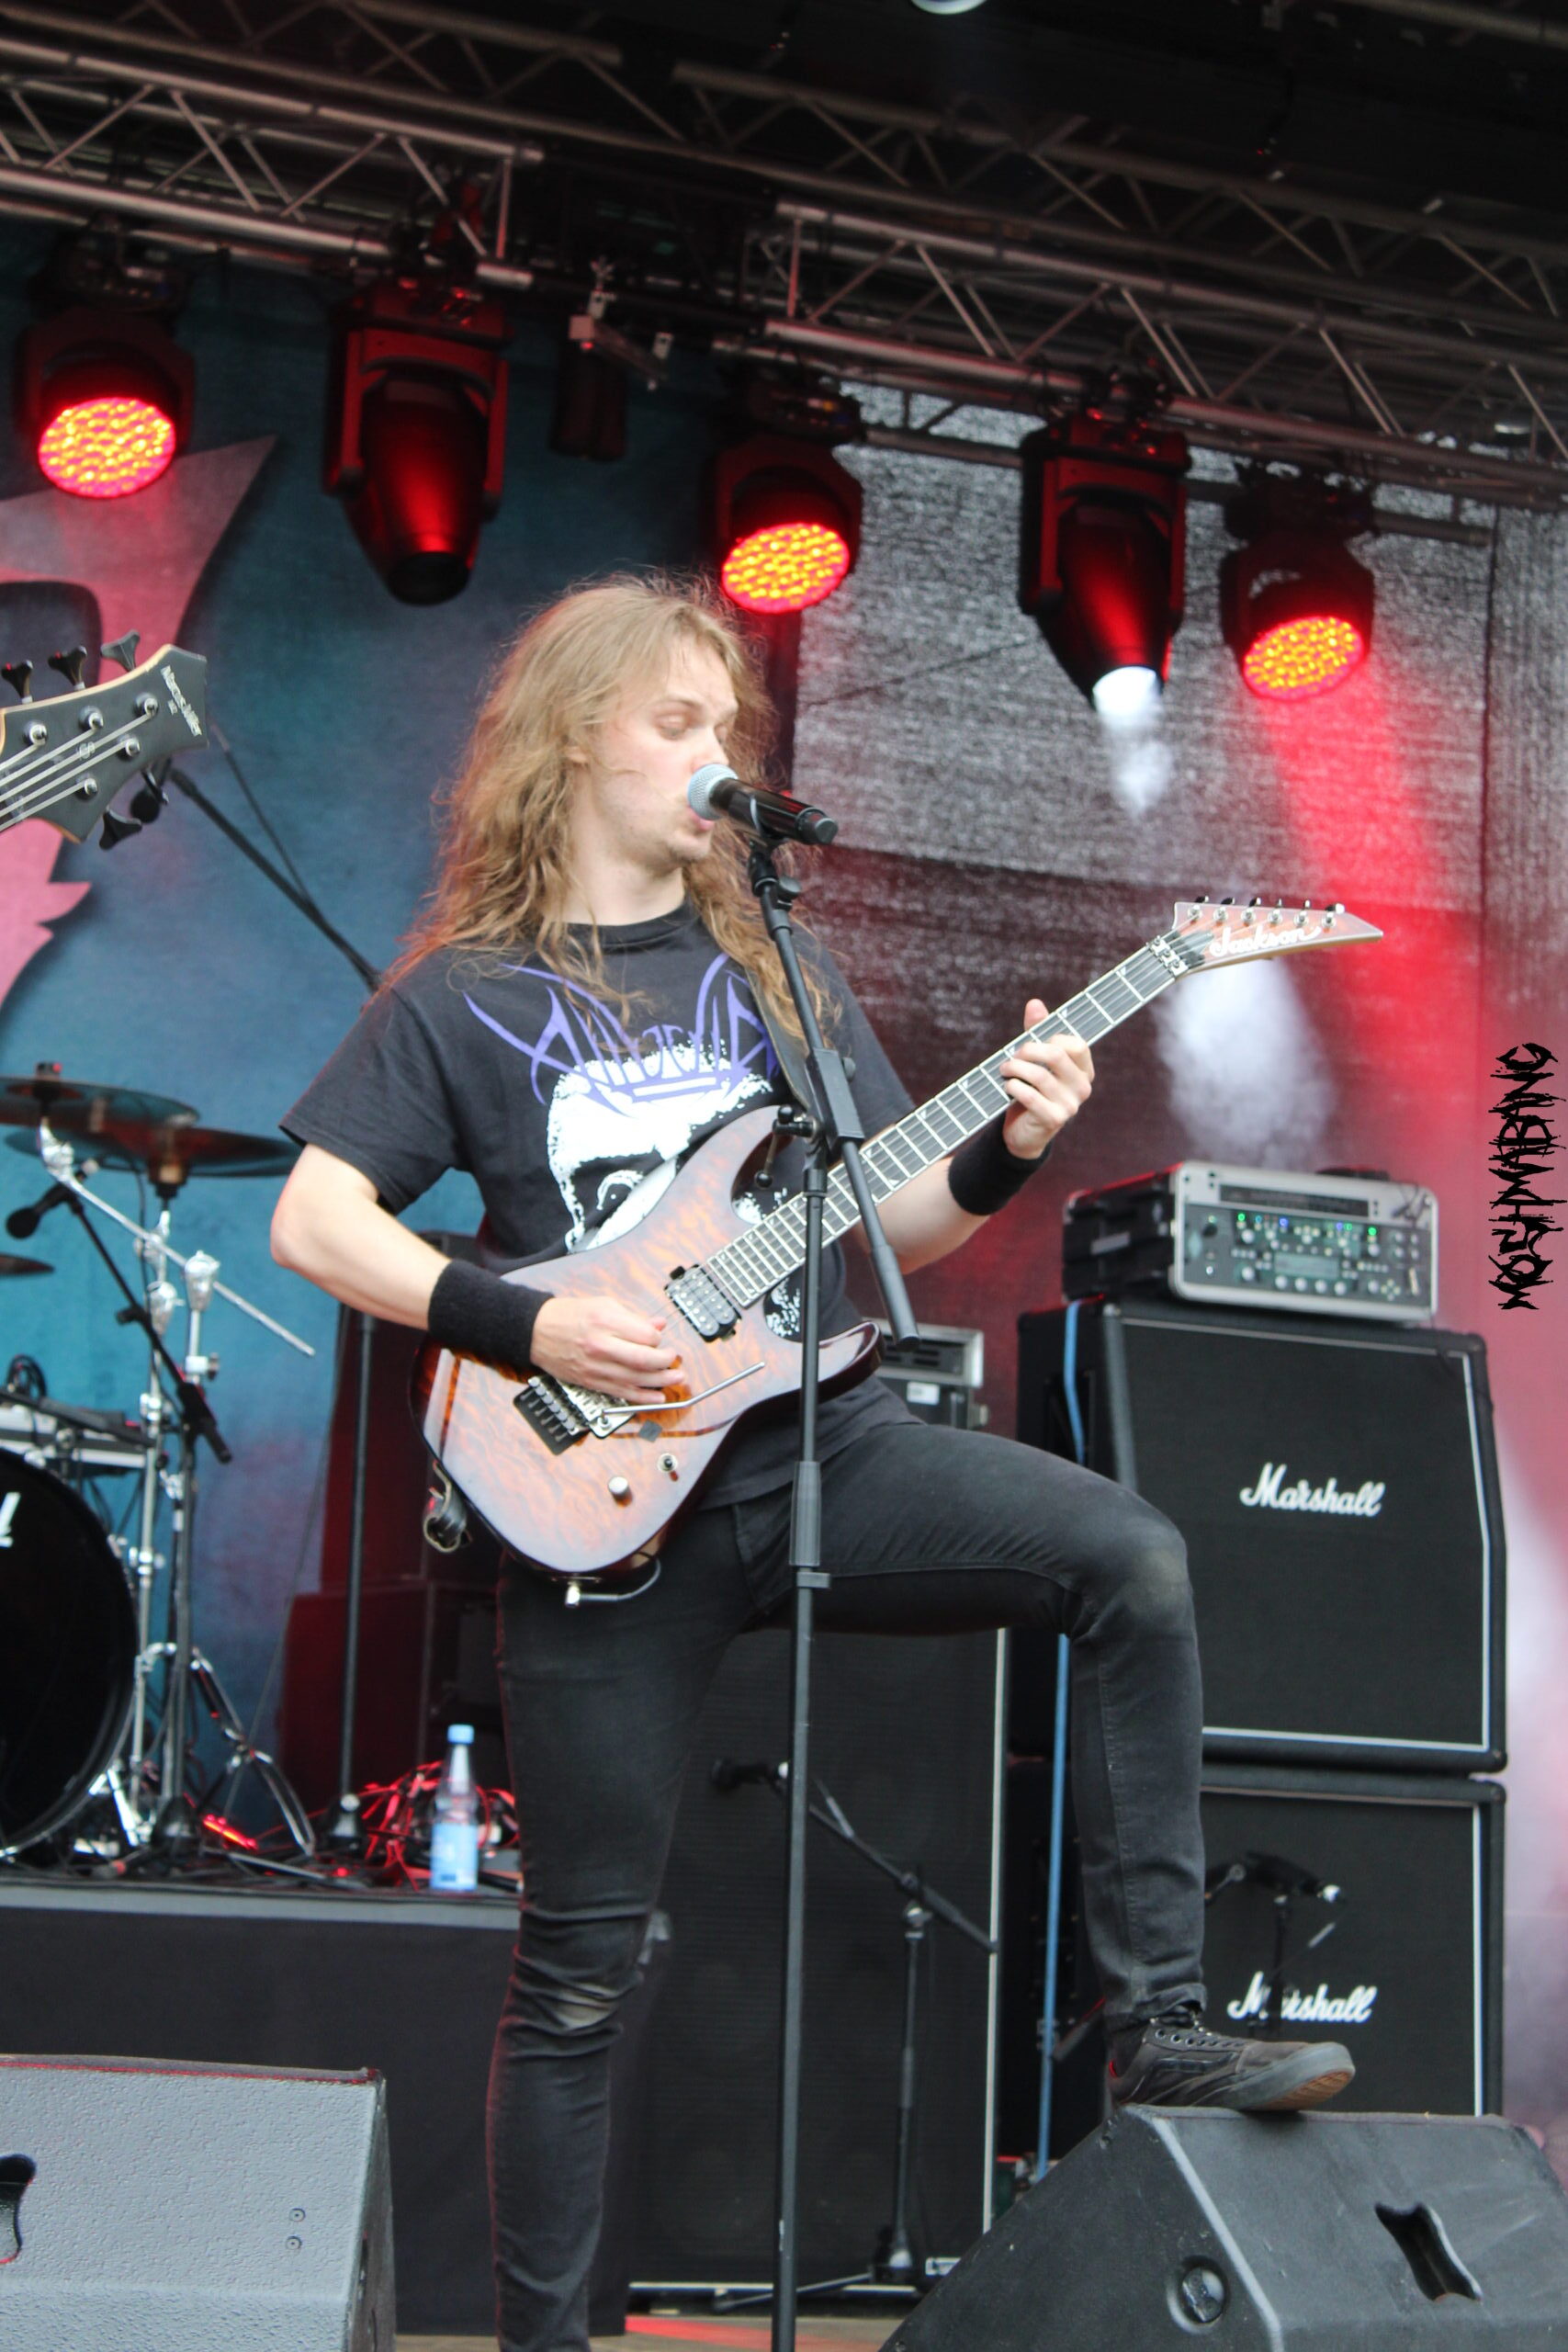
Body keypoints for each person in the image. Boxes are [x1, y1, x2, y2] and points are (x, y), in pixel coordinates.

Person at [271, 573, 1353, 2352]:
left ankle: (1156, 2021)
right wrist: (525, 1323)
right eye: (676, 724)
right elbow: (316, 1221)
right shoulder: (465, 995)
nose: (717, 756)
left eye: (728, 726)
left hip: (815, 1441)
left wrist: (1008, 1144)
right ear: (575, 740)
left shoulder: (774, 968)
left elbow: (886, 1229)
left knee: (1133, 1561)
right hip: (599, 1497)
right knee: (578, 1973)